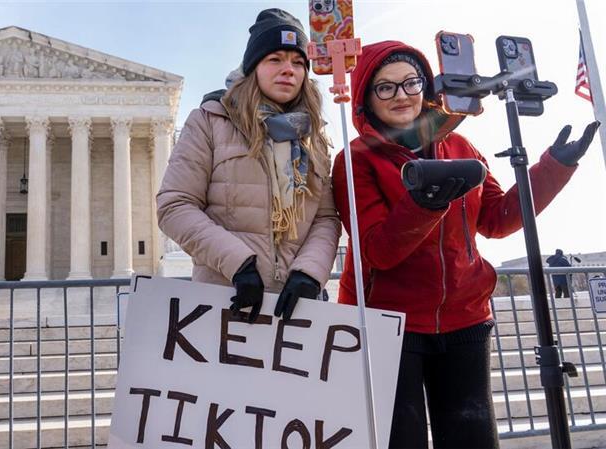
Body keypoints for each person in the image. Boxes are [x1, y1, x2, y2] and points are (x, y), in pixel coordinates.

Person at [331, 40, 600, 449]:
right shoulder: (356, 160)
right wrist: (424, 204)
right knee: (399, 441)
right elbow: (377, 251)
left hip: (465, 317)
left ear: (426, 86)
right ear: (366, 98)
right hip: (388, 323)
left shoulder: (459, 146)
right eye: (385, 87)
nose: (401, 95)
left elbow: (497, 219)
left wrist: (553, 168)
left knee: (471, 440)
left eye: (410, 82)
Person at [157, 8, 340, 323]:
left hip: (297, 311)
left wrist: (310, 272)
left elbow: (325, 218)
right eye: (275, 59)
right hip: (226, 299)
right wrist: (239, 264)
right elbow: (175, 206)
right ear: (253, 67)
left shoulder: (313, 137)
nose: (288, 70)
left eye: (298, 62)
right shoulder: (210, 121)